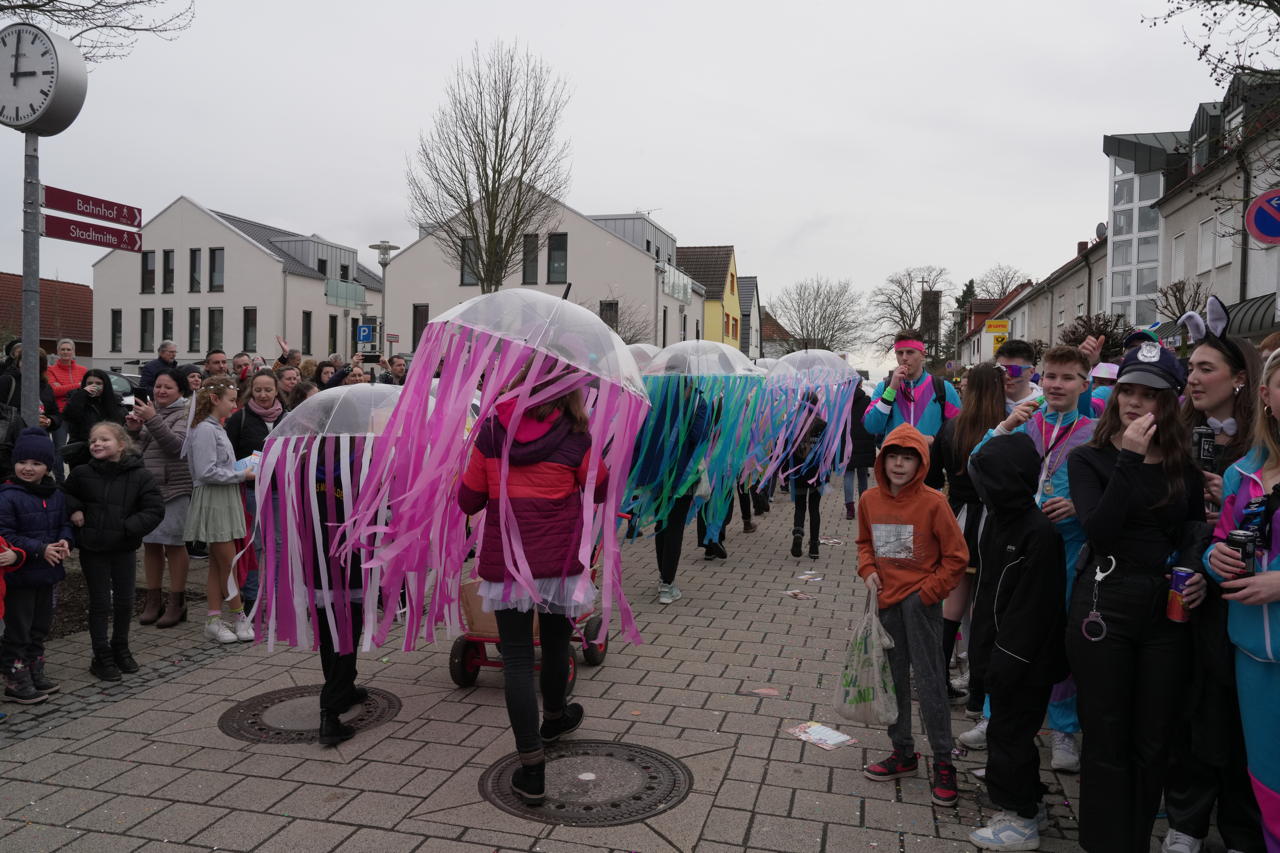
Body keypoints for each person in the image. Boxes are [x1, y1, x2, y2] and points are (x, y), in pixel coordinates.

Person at [1065, 341, 1208, 852]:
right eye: (1127, 390)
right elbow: (1099, 530)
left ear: (1167, 403)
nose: (1134, 401)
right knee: (1106, 733)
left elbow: (1193, 526)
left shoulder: (1181, 465)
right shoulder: (1089, 459)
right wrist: (1127, 458)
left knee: (1154, 738)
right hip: (1105, 599)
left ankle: (1136, 841)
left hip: (1164, 609)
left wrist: (1194, 569)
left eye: (1149, 394)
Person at [456, 373, 607, 806]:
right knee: (557, 643)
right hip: (557, 561)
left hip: (508, 561)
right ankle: (555, 717)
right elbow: (600, 488)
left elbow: (468, 501)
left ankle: (532, 769)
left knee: (519, 657)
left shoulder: (490, 432)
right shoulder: (577, 435)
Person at [964, 346, 1097, 771]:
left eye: (1068, 378)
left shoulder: (1093, 433)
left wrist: (1079, 505)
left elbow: (1113, 490)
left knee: (1059, 640)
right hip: (1016, 549)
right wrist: (1003, 426)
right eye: (1051, 377)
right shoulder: (1025, 425)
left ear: (1084, 383)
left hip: (1067, 550)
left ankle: (1063, 731)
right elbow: (976, 465)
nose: (1057, 385)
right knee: (1004, 630)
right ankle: (992, 717)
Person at [1166, 300, 1265, 853]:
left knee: (1242, 718)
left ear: (1242, 379)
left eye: (1207, 369)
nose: (1194, 379)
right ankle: (1186, 822)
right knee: (1196, 708)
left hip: (1251, 599)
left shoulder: (1260, 450)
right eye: (1192, 369)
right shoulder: (1178, 436)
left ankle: (1244, 829)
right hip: (1193, 591)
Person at [966, 432, 1069, 850]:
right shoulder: (1001, 521)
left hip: (1022, 661)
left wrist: (1004, 662)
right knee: (1011, 735)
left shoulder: (1038, 534)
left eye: (987, 480)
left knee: (1009, 736)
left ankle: (1019, 818)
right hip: (1000, 652)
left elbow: (1032, 611)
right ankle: (1030, 801)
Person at [857, 423, 967, 807]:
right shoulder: (870, 499)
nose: (899, 464)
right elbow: (864, 544)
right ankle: (902, 750)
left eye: (908, 457)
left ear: (921, 462)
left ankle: (943, 760)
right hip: (885, 602)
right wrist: (868, 570)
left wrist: (928, 594)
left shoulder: (934, 503)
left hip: (920, 606)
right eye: (893, 456)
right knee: (892, 680)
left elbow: (957, 557)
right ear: (881, 459)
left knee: (930, 681)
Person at [1206, 348, 1280, 851]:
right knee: (1268, 782)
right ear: (1266, 395)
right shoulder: (1242, 475)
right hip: (1253, 653)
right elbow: (1222, 539)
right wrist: (1216, 560)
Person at [64, 423, 164, 681]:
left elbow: (154, 509)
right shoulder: (82, 473)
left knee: (124, 600)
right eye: (93, 440)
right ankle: (101, 654)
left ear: (121, 444)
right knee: (100, 602)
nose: (96, 444)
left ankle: (120, 646)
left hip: (123, 547)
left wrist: (127, 528)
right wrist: (74, 509)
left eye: (104, 439)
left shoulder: (140, 476)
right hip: (93, 548)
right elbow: (64, 494)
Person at [934, 362, 1005, 711]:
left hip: (956, 517)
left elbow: (934, 473)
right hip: (993, 521)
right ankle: (979, 693)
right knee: (984, 610)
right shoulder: (1006, 430)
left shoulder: (951, 427)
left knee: (952, 607)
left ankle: (939, 681)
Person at [0, 429, 71, 704]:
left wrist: (65, 540)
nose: (28, 468)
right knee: (19, 628)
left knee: (40, 625)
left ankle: (33, 669)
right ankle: (15, 678)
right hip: (20, 575)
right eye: (23, 462)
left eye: (36, 463)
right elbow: (6, 535)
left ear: (48, 467)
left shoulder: (55, 494)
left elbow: (63, 523)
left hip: (48, 573)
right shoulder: (7, 496)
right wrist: (40, 549)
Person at [184, 377, 255, 644]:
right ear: (215, 400)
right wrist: (241, 475)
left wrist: (241, 469)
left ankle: (213, 620)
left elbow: (218, 466)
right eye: (231, 400)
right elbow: (206, 471)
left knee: (218, 563)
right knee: (229, 562)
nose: (234, 405)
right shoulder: (205, 429)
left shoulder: (216, 427)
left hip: (223, 496)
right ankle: (238, 616)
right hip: (214, 498)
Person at [128, 368, 193, 629]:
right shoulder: (150, 412)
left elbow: (176, 447)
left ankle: (177, 601)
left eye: (167, 387)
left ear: (180, 391)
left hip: (175, 488)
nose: (160, 391)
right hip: (147, 490)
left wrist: (152, 419)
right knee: (151, 545)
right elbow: (137, 452)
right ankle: (153, 600)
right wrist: (133, 430)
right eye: (158, 386)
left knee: (174, 545)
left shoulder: (186, 414)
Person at [225, 369, 285, 611]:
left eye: (268, 389)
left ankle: (278, 596)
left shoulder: (287, 417)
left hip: (280, 489)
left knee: (279, 543)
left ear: (276, 390)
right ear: (251, 390)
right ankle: (251, 597)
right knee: (254, 544)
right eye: (258, 389)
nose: (263, 395)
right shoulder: (239, 418)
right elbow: (228, 454)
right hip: (251, 490)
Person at [61, 369, 127, 468]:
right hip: (82, 453)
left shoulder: (114, 401)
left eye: (98, 383)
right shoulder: (77, 398)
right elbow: (69, 415)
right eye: (90, 383)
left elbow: (120, 424)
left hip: (107, 451)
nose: (94, 385)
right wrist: (82, 394)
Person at [789, 393, 828, 560]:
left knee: (800, 507)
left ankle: (798, 532)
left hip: (798, 473)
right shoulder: (823, 425)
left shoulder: (793, 425)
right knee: (814, 509)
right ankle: (813, 546)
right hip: (816, 474)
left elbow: (785, 451)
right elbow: (828, 451)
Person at [0, 348, 60, 438]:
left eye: (34, 362)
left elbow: (56, 414)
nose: (28, 365)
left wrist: (49, 421)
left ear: (41, 366)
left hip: (37, 439)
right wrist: (28, 419)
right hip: (9, 439)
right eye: (24, 360)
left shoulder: (46, 388)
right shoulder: (7, 381)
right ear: (18, 363)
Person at [842, 380, 876, 520]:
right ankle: (863, 507)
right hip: (864, 442)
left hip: (847, 443)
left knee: (848, 475)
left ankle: (850, 509)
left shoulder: (842, 401)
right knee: (862, 475)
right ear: (860, 385)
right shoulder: (867, 400)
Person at [994, 339, 1043, 412]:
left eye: (1014, 370)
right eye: (1000, 370)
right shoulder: (988, 402)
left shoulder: (1046, 406)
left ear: (1031, 372)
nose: (1006, 376)